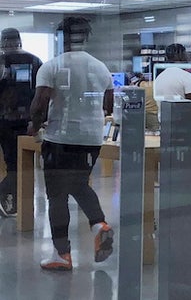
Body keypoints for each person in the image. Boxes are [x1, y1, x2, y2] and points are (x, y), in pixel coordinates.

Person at [28, 17, 115, 271]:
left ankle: (62, 253)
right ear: (84, 38)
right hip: (91, 140)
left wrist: (36, 126)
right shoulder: (101, 67)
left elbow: (39, 103)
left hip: (60, 139)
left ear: (60, 38)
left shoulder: (52, 66)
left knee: (57, 196)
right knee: (78, 183)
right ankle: (99, 224)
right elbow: (108, 106)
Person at [154, 43, 191, 224]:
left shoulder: (160, 77)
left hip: (167, 126)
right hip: (187, 127)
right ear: (181, 55)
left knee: (177, 166)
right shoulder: (185, 76)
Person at [0, 28, 42, 218]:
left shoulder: (2, 61)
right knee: (21, 164)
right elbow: (41, 94)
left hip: (4, 120)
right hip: (26, 121)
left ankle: (12, 202)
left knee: (13, 164)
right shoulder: (34, 61)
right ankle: (11, 201)